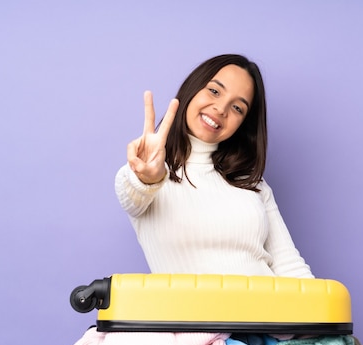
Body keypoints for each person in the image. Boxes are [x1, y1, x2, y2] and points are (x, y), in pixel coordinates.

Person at [115, 54, 313, 279]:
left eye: (238, 108)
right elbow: (132, 193)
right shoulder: (145, 176)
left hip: (271, 312)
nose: (221, 108)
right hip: (191, 314)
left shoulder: (251, 182)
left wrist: (320, 311)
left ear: (243, 124)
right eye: (215, 91)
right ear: (193, 88)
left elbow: (290, 266)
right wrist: (149, 178)